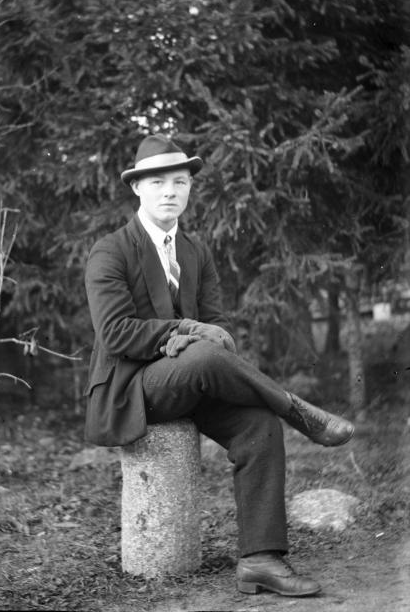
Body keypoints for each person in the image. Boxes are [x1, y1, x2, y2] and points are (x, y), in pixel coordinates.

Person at [84, 133, 354, 598]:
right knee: (204, 352)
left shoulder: (194, 251)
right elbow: (117, 333)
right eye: (158, 183)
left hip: (193, 378)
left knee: (258, 424)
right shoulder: (111, 250)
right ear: (137, 188)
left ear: (190, 188)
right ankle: (296, 409)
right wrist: (182, 331)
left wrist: (202, 337)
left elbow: (218, 326)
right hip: (132, 388)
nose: (170, 192)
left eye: (180, 182)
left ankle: (260, 560)